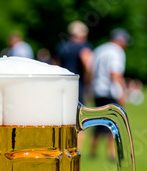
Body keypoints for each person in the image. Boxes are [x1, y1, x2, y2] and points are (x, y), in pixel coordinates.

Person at [90, 28, 131, 161]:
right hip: (109, 91)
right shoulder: (116, 52)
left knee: (96, 122)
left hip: (97, 89)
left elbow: (90, 70)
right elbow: (115, 73)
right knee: (112, 122)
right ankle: (111, 154)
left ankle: (92, 151)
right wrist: (122, 92)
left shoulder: (99, 49)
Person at [55, 20, 93, 104]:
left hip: (63, 83)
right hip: (77, 84)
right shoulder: (84, 46)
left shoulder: (61, 46)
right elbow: (87, 65)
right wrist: (90, 81)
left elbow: (56, 65)